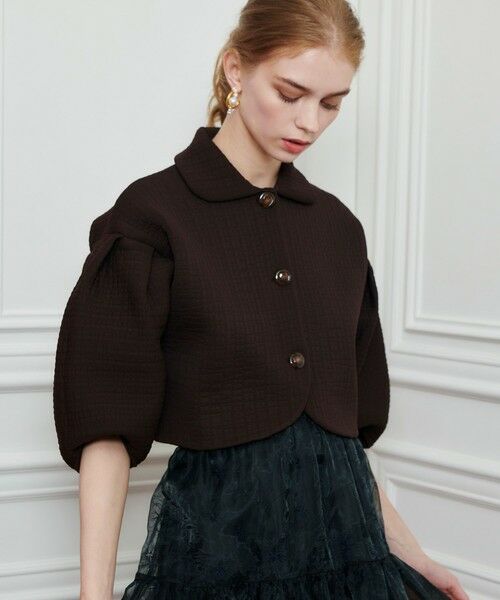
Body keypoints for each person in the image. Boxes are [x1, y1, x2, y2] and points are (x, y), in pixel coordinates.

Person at [52, 1, 470, 598]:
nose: (310, 122)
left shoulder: (337, 230)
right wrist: (93, 594)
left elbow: (338, 443)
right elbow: (106, 427)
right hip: (214, 565)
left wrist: (415, 557)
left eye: (331, 103)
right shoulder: (152, 218)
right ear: (235, 69)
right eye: (290, 93)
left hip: (350, 565)